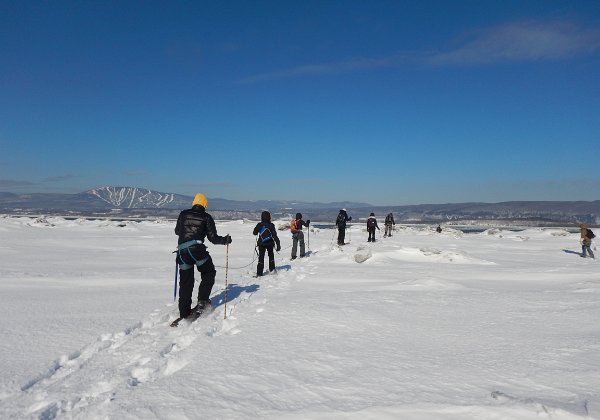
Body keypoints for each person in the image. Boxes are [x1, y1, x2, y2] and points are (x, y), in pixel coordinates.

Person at [174, 193, 232, 320]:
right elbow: (213, 238)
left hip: (183, 252)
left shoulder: (183, 214)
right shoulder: (206, 217)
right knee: (209, 272)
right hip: (198, 251)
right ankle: (202, 301)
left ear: (194, 202)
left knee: (185, 283)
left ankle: (184, 313)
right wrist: (225, 240)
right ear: (205, 204)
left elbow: (177, 231)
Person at [253, 211, 281, 276]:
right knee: (271, 257)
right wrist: (278, 244)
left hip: (261, 243)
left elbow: (254, 233)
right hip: (270, 243)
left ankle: (259, 273)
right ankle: (272, 270)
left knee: (261, 258)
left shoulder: (259, 224)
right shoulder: (271, 225)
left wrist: (257, 229)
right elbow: (275, 236)